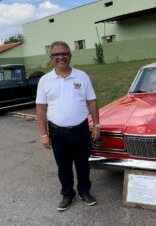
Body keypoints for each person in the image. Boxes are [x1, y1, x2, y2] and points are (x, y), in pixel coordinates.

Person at [36, 41, 100, 211]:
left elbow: (92, 101)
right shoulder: (45, 80)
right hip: (57, 133)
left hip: (80, 130)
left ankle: (84, 191)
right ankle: (67, 194)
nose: (61, 57)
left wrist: (96, 125)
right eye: (56, 55)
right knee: (63, 166)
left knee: (83, 165)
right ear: (51, 58)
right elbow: (41, 109)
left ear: (70, 56)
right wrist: (44, 135)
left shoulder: (82, 76)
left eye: (64, 53)